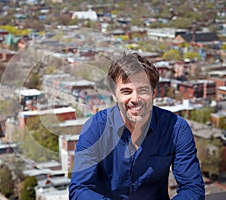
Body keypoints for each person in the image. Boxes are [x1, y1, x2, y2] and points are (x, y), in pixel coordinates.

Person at [69, 52, 205, 200]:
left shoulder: (176, 128)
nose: (135, 99)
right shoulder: (96, 128)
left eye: (143, 90)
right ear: (115, 95)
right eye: (126, 91)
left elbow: (192, 188)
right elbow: (79, 189)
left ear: (154, 93)